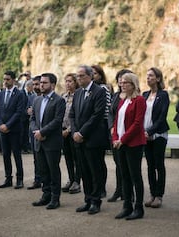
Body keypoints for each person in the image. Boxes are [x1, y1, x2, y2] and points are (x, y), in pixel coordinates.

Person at [69, 65, 109, 215]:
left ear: (90, 76)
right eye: (77, 76)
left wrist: (82, 133)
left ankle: (96, 201)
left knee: (95, 171)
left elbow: (97, 116)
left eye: (81, 76)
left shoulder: (99, 91)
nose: (78, 79)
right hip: (79, 139)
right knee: (84, 171)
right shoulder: (78, 92)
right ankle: (87, 199)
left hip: (93, 139)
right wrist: (74, 132)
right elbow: (72, 115)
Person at [112, 72, 147, 220]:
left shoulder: (139, 100)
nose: (122, 84)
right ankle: (127, 206)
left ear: (133, 84)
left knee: (135, 176)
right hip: (119, 143)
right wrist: (115, 138)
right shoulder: (122, 100)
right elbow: (116, 121)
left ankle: (138, 208)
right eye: (121, 82)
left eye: (126, 82)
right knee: (124, 175)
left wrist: (123, 139)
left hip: (133, 144)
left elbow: (137, 124)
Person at [30, 73, 66, 210]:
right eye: (40, 83)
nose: (41, 85)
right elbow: (32, 119)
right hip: (39, 141)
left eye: (44, 83)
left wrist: (43, 132)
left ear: (52, 85)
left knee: (53, 170)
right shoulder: (37, 100)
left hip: (52, 142)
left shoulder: (59, 101)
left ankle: (55, 198)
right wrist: (36, 132)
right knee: (43, 170)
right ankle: (46, 195)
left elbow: (57, 121)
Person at [0, 70, 28, 189]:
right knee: (5, 155)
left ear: (13, 80)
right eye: (4, 79)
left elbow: (19, 112)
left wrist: (8, 125)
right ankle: (8, 178)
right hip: (3, 130)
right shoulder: (0, 94)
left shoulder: (20, 94)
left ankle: (20, 179)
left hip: (14, 130)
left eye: (8, 79)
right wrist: (1, 125)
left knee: (17, 155)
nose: (5, 81)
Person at [142, 67, 170, 209]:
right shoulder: (144, 94)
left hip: (159, 134)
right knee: (150, 165)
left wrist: (150, 131)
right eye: (147, 76)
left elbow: (161, 117)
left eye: (151, 76)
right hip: (145, 135)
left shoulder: (163, 95)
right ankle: (152, 194)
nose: (148, 78)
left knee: (159, 164)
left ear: (158, 79)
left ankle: (159, 195)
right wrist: (143, 132)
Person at [107, 69, 133, 202]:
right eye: (119, 79)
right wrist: (112, 127)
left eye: (124, 80)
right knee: (119, 164)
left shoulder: (134, 97)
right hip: (115, 135)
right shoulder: (116, 96)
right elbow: (111, 113)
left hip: (128, 136)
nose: (121, 82)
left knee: (130, 166)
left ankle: (129, 193)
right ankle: (119, 190)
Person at [91, 64, 110, 197]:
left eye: (95, 73)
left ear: (100, 75)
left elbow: (105, 111)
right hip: (90, 128)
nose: (93, 76)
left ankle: (101, 187)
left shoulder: (103, 89)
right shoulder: (88, 89)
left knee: (98, 160)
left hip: (100, 127)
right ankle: (95, 186)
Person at [61, 73, 81, 194]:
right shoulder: (63, 96)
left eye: (70, 81)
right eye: (66, 81)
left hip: (73, 131)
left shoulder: (78, 96)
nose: (68, 84)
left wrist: (68, 130)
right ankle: (71, 179)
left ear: (75, 83)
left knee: (76, 158)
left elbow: (77, 116)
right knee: (67, 157)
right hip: (62, 130)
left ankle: (77, 182)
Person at [27, 76, 43, 190]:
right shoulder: (32, 97)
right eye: (34, 84)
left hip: (45, 132)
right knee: (36, 157)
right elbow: (29, 115)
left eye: (37, 84)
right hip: (34, 131)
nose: (36, 87)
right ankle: (37, 179)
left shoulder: (48, 98)